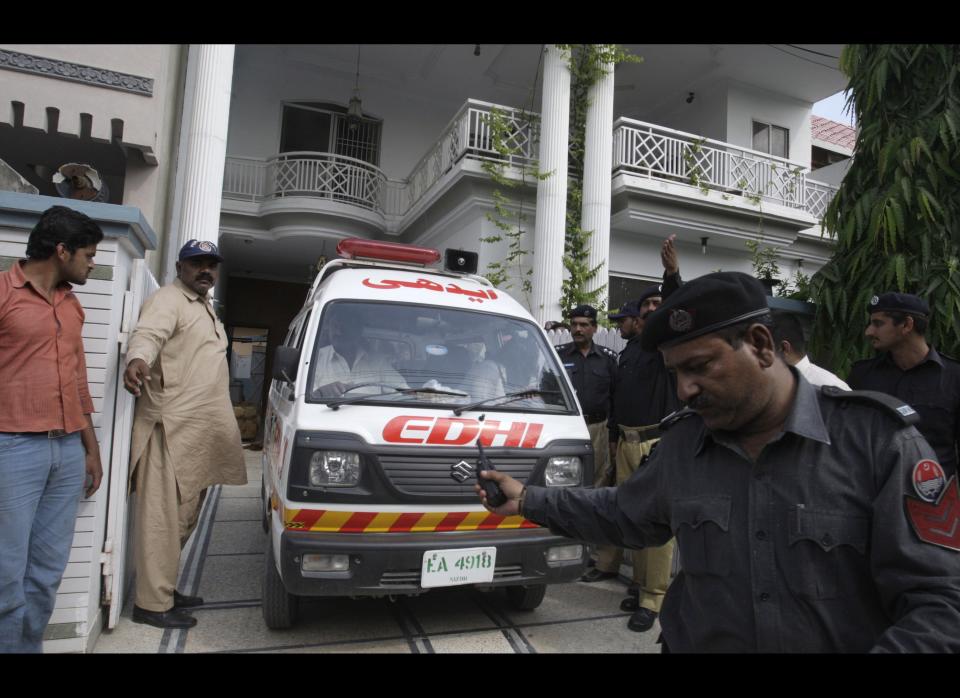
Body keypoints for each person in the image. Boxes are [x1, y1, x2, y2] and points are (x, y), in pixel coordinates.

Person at [476, 271, 960, 652]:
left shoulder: (878, 443)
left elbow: (941, 602)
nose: (685, 388)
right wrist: (529, 500)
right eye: (675, 373)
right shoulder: (685, 445)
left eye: (700, 366)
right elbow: (625, 515)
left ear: (762, 345)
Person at [123, 239, 247, 629]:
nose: (205, 270)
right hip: (170, 430)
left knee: (185, 517)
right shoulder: (169, 300)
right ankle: (151, 604)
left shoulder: (204, 307)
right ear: (181, 267)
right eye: (197, 263)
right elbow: (148, 334)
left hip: (200, 433)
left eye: (211, 264)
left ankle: (165, 588)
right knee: (162, 521)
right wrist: (138, 359)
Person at [0, 205, 104, 653]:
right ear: (62, 251)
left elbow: (77, 380)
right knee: (5, 577)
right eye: (88, 254)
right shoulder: (4, 294)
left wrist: (91, 448)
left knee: (45, 575)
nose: (92, 262)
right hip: (12, 449)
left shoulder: (71, 303)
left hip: (65, 453)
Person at [582, 235, 682, 635]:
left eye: (659, 305)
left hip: (656, 443)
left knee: (656, 524)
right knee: (632, 518)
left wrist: (672, 275)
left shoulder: (665, 349)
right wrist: (612, 442)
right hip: (625, 442)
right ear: (639, 318)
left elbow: (677, 312)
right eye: (648, 307)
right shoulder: (630, 352)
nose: (654, 311)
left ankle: (653, 599)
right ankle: (639, 585)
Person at [848, 292, 960, 479]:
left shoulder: (954, 378)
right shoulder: (862, 375)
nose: (869, 332)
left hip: (931, 498)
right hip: (869, 496)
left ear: (907, 325)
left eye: (878, 323)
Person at [554, 305, 618, 557]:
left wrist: (613, 437)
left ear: (594, 328)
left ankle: (592, 550)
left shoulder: (608, 360)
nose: (578, 329)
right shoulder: (558, 356)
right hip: (567, 428)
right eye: (574, 324)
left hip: (598, 428)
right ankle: (562, 544)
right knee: (565, 484)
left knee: (599, 486)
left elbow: (616, 399)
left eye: (583, 324)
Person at [771, 312, 850, 390]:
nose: (760, 359)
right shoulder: (773, 384)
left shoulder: (832, 386)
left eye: (764, 349)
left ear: (784, 348)